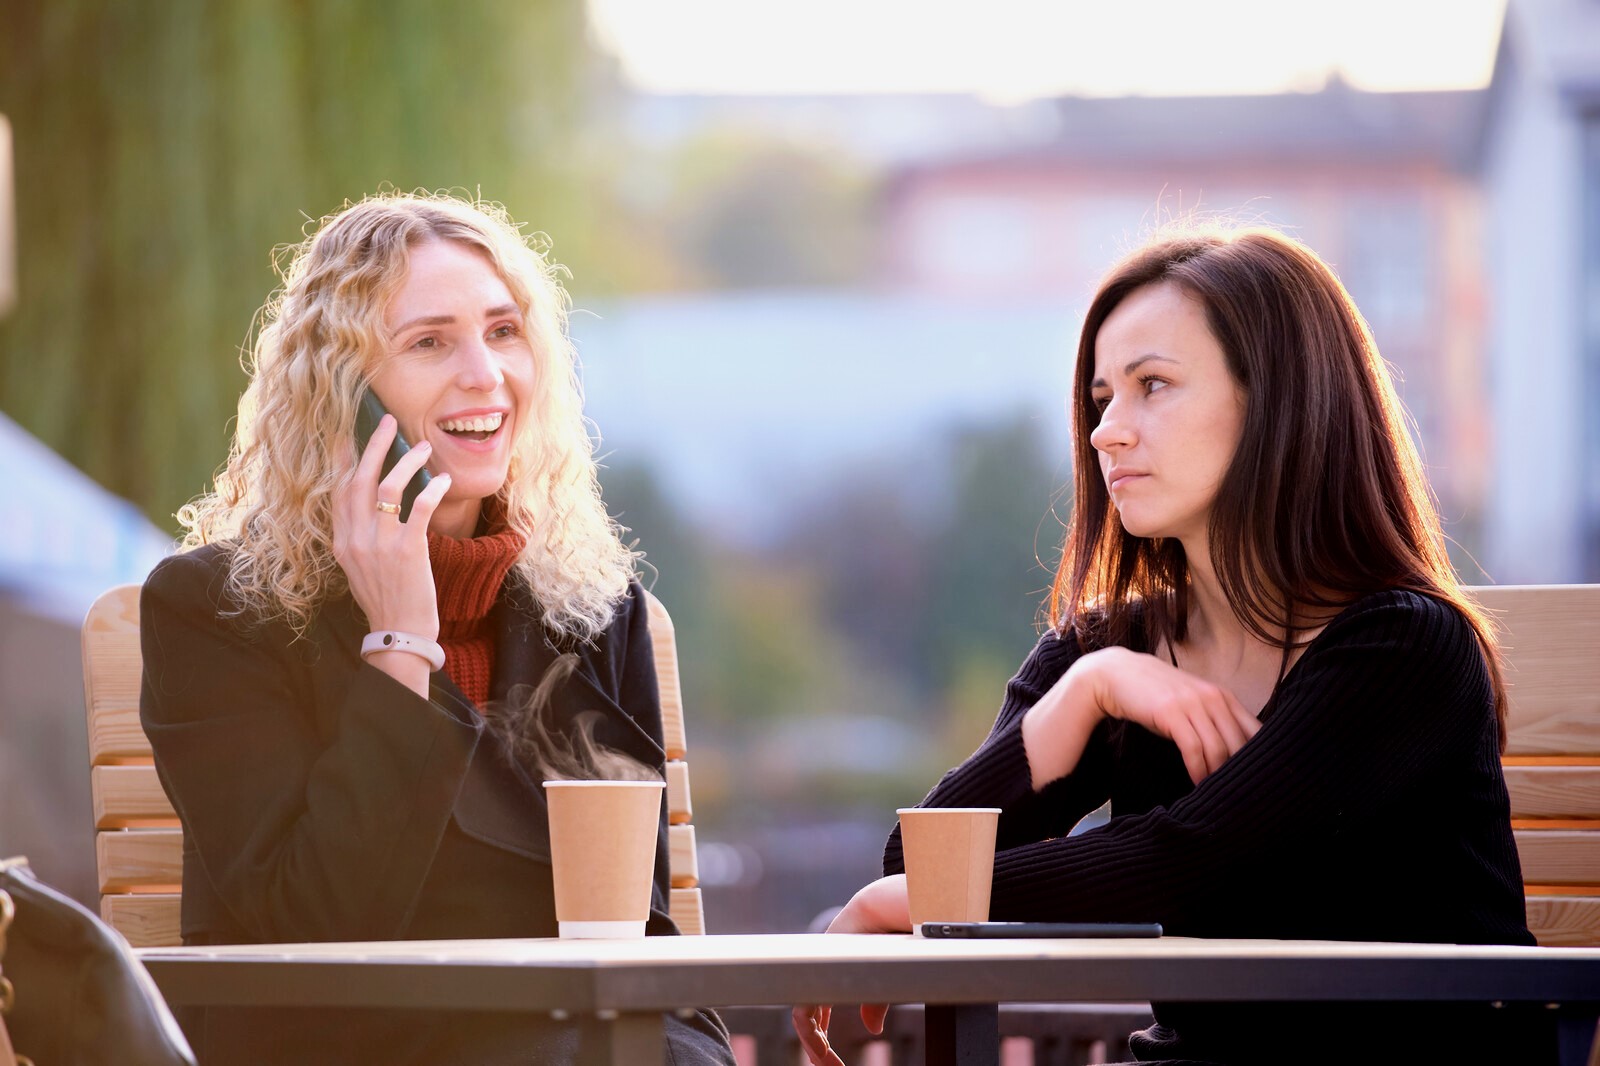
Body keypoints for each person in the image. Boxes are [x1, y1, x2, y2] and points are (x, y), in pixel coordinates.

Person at [793, 224, 1551, 1066]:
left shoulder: (1405, 650)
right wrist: (1088, 690)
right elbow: (922, 856)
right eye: (1102, 397)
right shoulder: (1111, 652)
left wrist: (905, 900)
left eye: (1152, 386)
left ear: (1278, 402)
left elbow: (1192, 860)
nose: (1105, 432)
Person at [140, 191, 735, 1065]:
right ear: (343, 397)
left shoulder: (593, 609)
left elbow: (633, 926)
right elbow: (312, 927)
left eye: (503, 331)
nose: (485, 374)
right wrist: (403, 638)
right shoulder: (218, 611)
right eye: (428, 343)